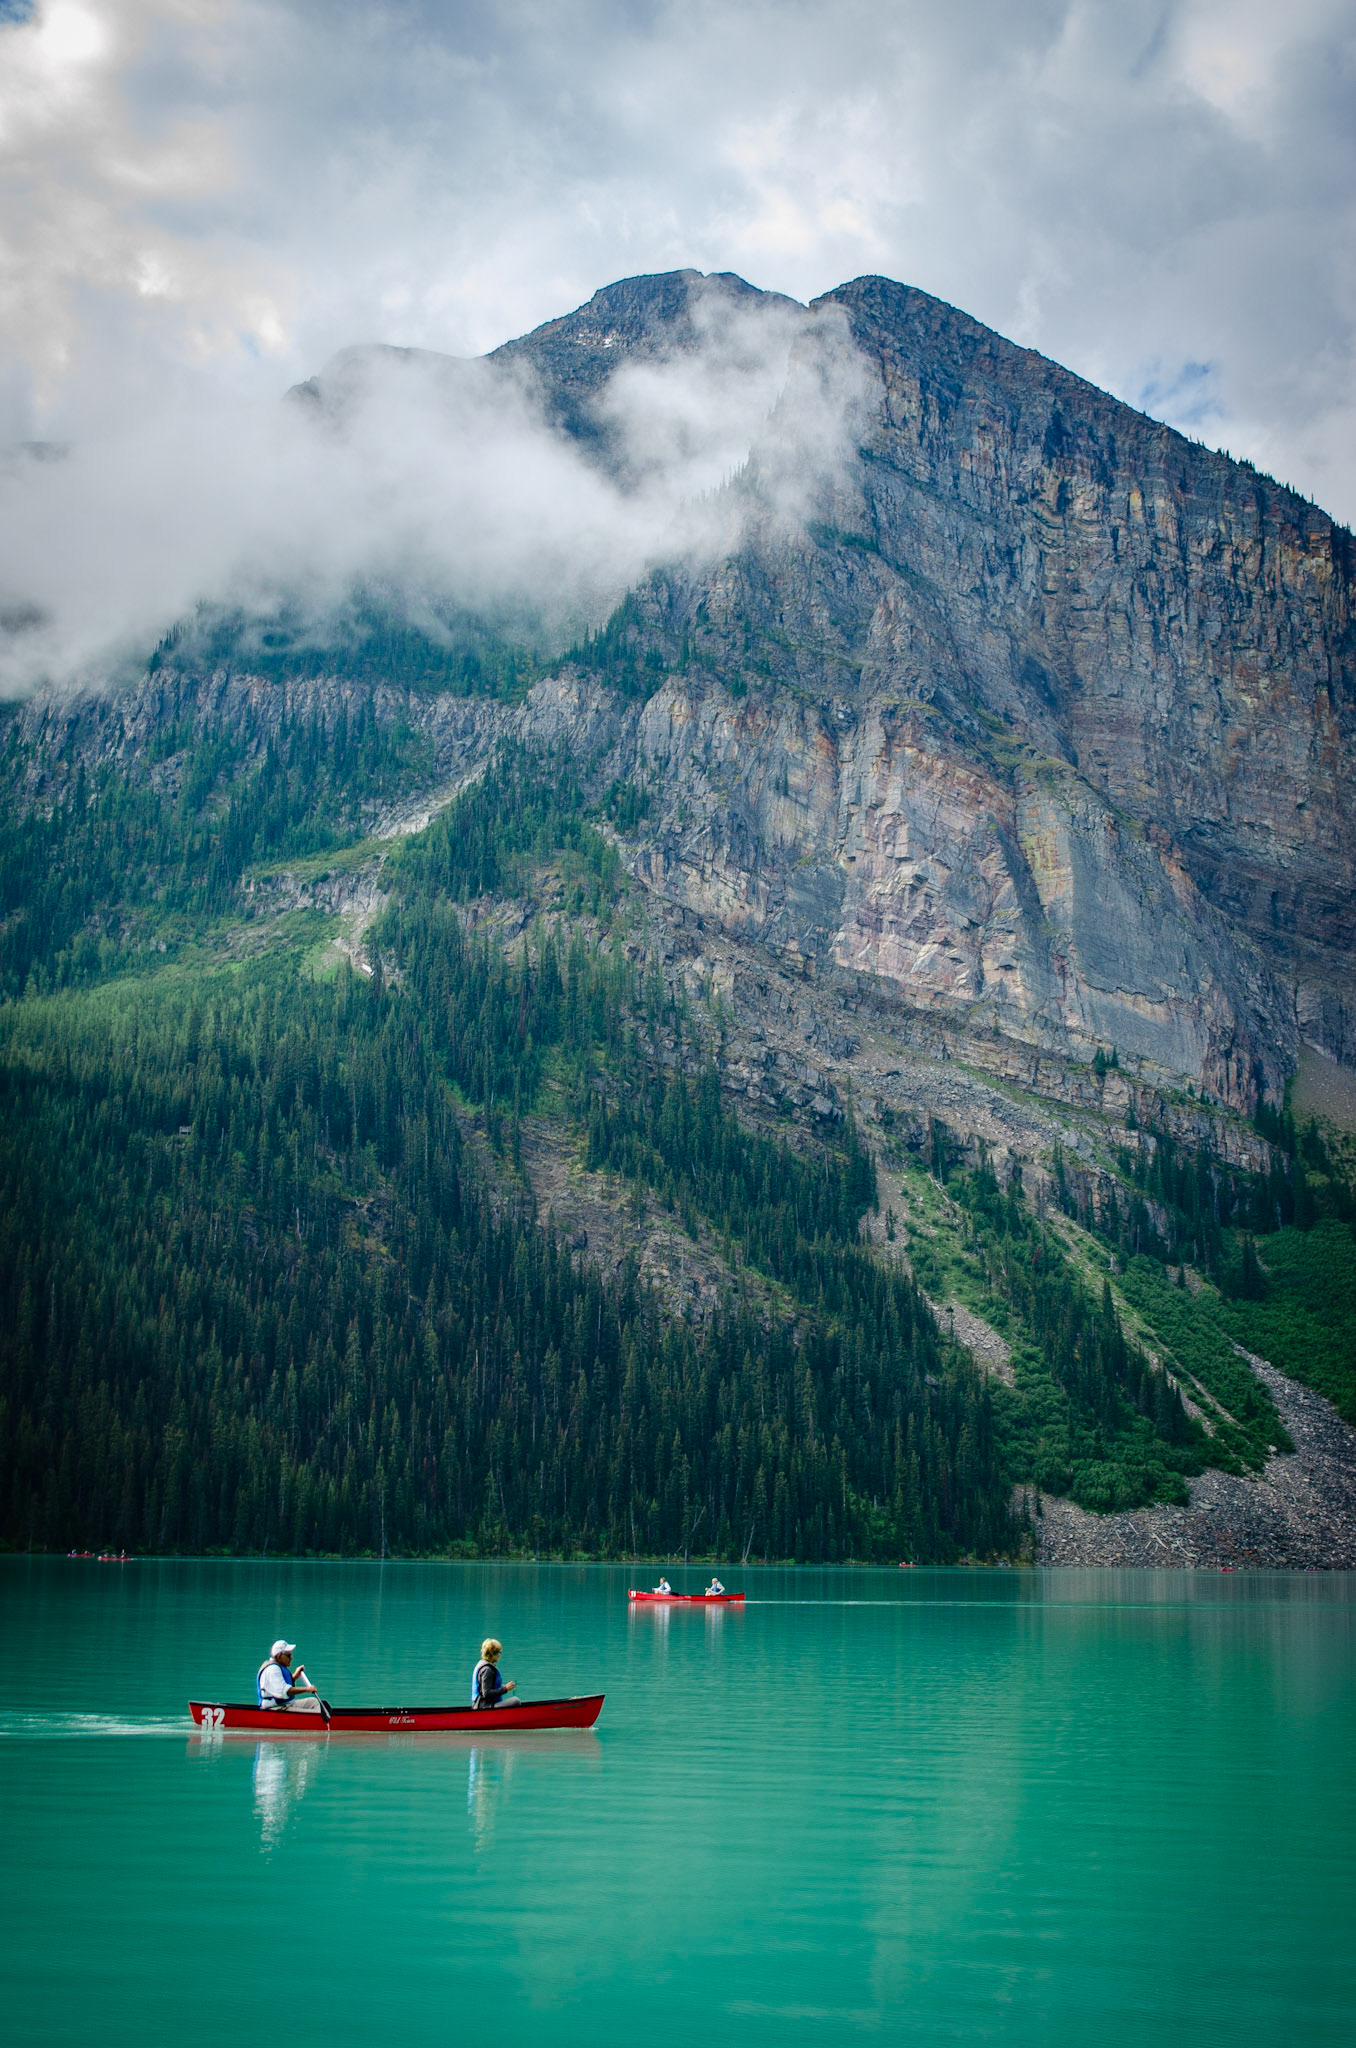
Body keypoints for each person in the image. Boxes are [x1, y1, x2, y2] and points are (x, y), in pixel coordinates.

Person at [257, 1640, 317, 1711]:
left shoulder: (277, 1666)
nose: (291, 1658)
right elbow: (285, 1692)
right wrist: (307, 1689)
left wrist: (294, 1677)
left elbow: (280, 1686)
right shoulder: (272, 1669)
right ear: (279, 1656)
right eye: (288, 1656)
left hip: (285, 1704)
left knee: (314, 1702)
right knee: (316, 1712)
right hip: (276, 1708)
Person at [471, 1638, 517, 1710]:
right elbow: (486, 1693)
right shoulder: (487, 1670)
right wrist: (505, 1689)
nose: (500, 1655)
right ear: (492, 1654)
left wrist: (506, 1686)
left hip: (481, 1705)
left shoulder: (483, 1664)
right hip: (485, 1706)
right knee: (515, 1701)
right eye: (499, 1652)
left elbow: (489, 1686)